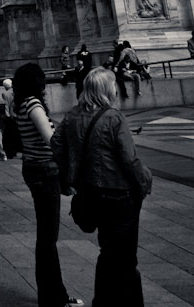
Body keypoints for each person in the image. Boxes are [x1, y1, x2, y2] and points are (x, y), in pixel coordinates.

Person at [55, 67, 152, 307]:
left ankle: (103, 301)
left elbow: (56, 145)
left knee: (108, 250)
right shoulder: (113, 117)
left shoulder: (72, 116)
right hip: (119, 194)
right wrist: (144, 183)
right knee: (126, 257)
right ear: (107, 90)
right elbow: (129, 159)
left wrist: (70, 177)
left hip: (91, 194)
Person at [10, 63, 83, 307]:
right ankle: (55, 297)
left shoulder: (20, 103)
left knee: (46, 237)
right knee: (48, 238)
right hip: (44, 171)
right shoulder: (33, 104)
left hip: (33, 169)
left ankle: (50, 295)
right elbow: (52, 141)